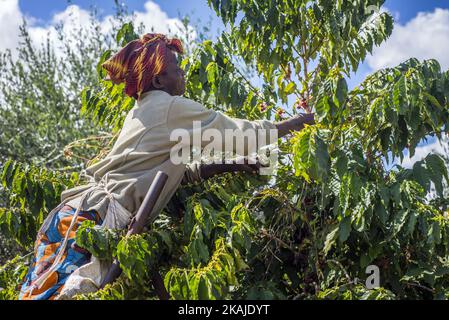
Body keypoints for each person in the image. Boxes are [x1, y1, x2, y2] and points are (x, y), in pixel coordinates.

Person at [18, 33, 315, 300]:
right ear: (159, 81)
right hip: (94, 219)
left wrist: (232, 165)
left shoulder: (143, 110)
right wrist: (299, 123)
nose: (183, 73)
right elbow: (241, 135)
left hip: (73, 216)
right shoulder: (170, 107)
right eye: (177, 68)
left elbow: (174, 171)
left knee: (38, 293)